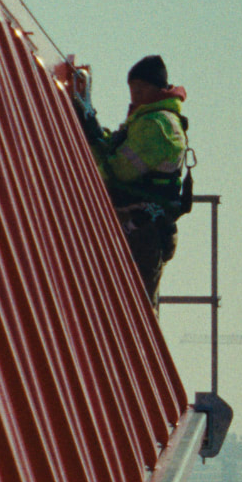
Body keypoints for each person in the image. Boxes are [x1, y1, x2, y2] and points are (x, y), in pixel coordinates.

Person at [88, 54, 191, 302]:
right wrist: (95, 134)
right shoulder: (148, 120)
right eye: (132, 88)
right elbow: (116, 154)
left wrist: (90, 139)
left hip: (143, 229)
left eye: (141, 88)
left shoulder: (157, 126)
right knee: (132, 306)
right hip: (142, 226)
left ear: (157, 88)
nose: (135, 94)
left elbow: (116, 171)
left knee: (132, 304)